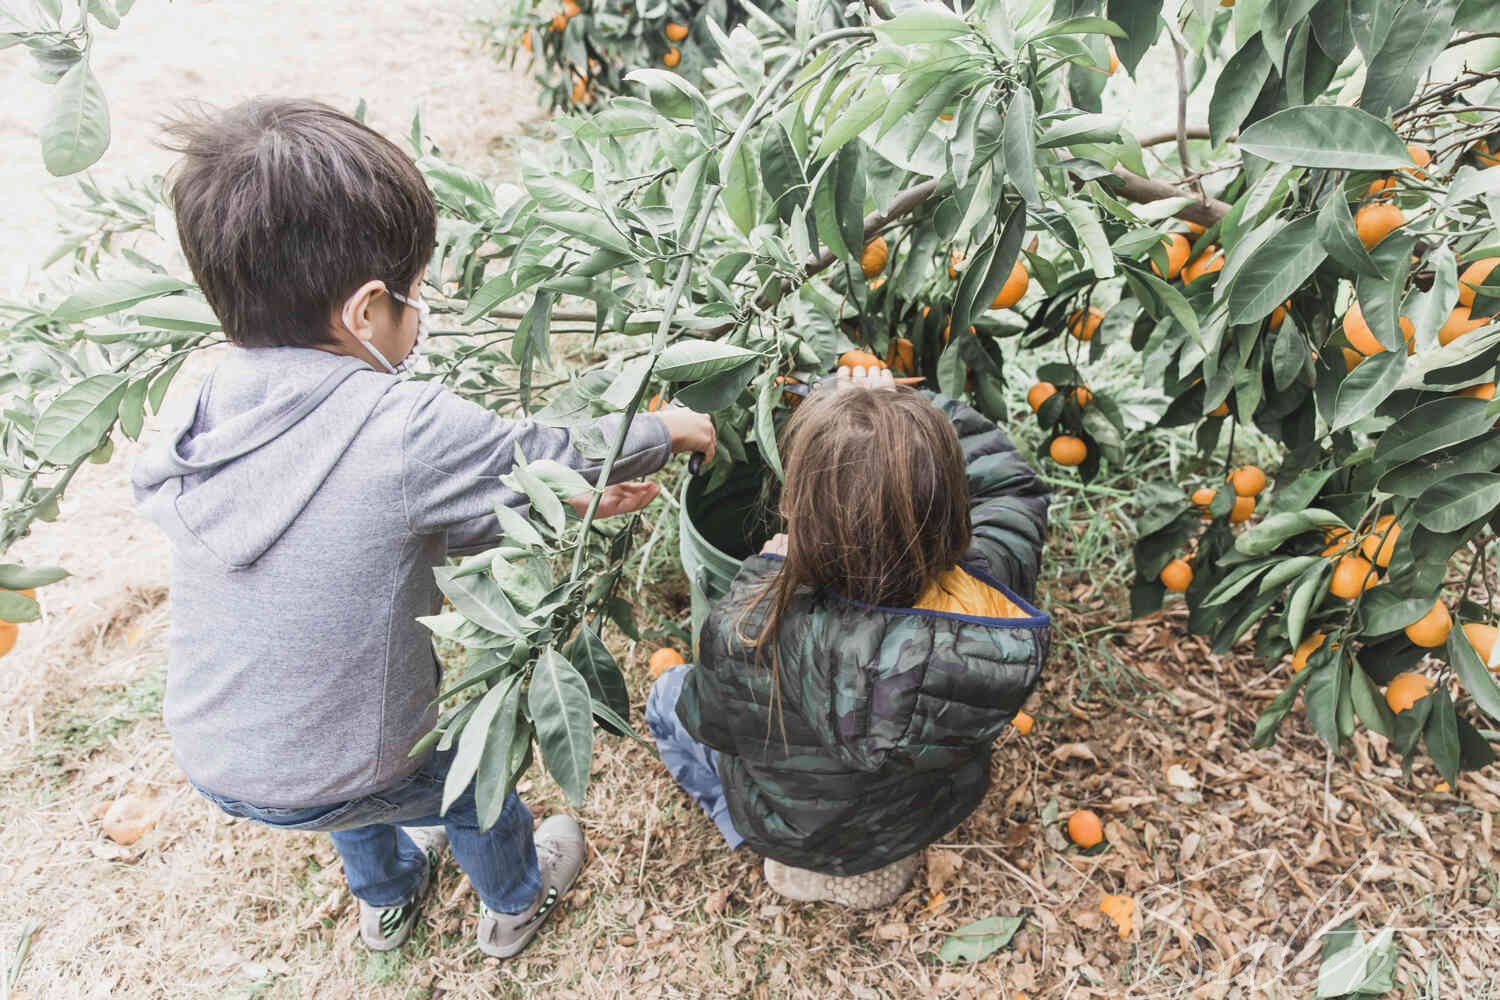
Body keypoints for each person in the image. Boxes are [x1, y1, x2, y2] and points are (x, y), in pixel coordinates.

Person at [132, 99, 716, 958]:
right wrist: (667, 432)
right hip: (352, 763)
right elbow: (551, 450)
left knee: (334, 755)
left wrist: (548, 504)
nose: (422, 308)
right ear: (367, 312)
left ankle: (388, 895)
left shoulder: (200, 407)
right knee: (472, 780)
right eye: (416, 293)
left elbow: (368, 525)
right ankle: (517, 896)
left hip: (224, 754)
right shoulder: (401, 426)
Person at [645, 365, 1049, 908]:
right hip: (927, 811)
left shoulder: (748, 627)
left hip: (793, 826)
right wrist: (907, 410)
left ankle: (775, 852)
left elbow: (710, 724)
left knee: (667, 697)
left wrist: (762, 580)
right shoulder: (992, 583)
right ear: (956, 508)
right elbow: (1010, 483)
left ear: (791, 510)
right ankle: (883, 852)